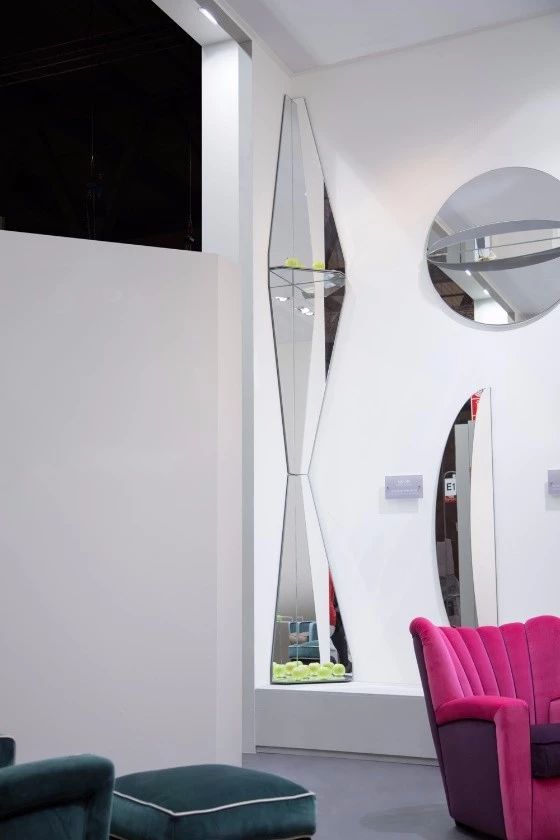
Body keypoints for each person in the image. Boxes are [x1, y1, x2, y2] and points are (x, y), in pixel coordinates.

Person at [329, 571, 351, 672]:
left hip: (334, 613)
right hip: (333, 613)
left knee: (339, 636)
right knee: (339, 636)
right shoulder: (332, 573)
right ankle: (344, 663)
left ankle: (345, 663)